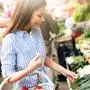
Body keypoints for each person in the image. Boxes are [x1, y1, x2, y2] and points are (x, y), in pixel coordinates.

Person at [0, 0, 78, 90]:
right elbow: (8, 78)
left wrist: (64, 71)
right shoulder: (10, 39)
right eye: (39, 15)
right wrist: (29, 70)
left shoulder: (37, 31)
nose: (43, 19)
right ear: (27, 13)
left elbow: (43, 58)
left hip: (44, 86)